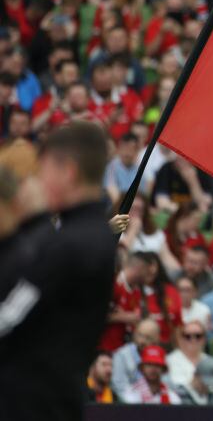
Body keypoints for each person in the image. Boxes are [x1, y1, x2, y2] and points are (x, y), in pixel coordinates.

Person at [0, 122, 118, 421]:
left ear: (68, 171)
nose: (38, 180)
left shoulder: (68, 245)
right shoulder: (91, 236)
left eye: (43, 170)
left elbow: (7, 318)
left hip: (30, 405)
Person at [166, 321, 213, 391]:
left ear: (204, 339)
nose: (193, 339)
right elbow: (175, 386)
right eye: (188, 336)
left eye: (198, 336)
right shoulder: (169, 361)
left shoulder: (210, 361)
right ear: (180, 339)